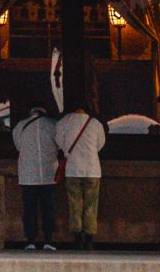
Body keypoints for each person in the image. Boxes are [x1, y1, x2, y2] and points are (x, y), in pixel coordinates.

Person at [8, 93, 60, 249]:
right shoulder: (53, 125)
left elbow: (18, 146)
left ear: (30, 111)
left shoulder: (20, 126)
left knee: (29, 207)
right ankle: (48, 239)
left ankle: (30, 239)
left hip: (27, 174)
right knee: (48, 207)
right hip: (49, 172)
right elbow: (59, 145)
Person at [55, 96, 108, 247]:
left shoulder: (65, 121)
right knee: (91, 204)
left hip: (72, 169)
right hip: (92, 169)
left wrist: (67, 152)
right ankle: (90, 238)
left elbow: (58, 141)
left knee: (75, 204)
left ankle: (77, 237)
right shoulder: (95, 124)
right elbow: (100, 144)